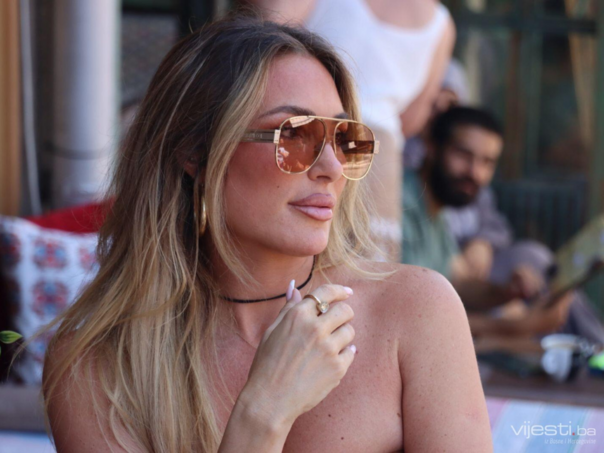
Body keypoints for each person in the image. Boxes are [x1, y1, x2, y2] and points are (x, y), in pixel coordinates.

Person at [41, 14, 492, 453]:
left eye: (342, 138)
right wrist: (264, 412)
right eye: (293, 135)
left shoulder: (416, 313)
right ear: (196, 153)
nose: (332, 168)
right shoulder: (97, 367)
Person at [246, 0, 456, 262]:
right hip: (378, 151)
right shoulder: (441, 24)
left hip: (310, 135)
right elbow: (414, 118)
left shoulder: (442, 25)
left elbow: (260, 45)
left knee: (295, 257)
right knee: (366, 268)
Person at [403, 106, 604, 343]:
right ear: (431, 147)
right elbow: (409, 317)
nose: (474, 172)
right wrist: (512, 327)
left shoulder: (436, 210)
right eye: (463, 155)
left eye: (487, 162)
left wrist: (508, 291)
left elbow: (459, 284)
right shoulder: (402, 203)